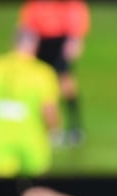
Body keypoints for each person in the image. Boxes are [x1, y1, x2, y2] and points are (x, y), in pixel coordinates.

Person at [0, 30, 61, 178]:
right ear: (35, 46)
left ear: (13, 43)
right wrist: (54, 131)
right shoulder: (43, 73)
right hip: (33, 141)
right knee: (38, 193)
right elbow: (49, 111)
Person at [18, 0, 91, 148]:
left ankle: (75, 126)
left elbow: (77, 14)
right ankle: (47, 128)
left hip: (61, 40)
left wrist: (76, 38)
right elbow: (28, 19)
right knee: (37, 85)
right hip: (39, 40)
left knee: (65, 83)